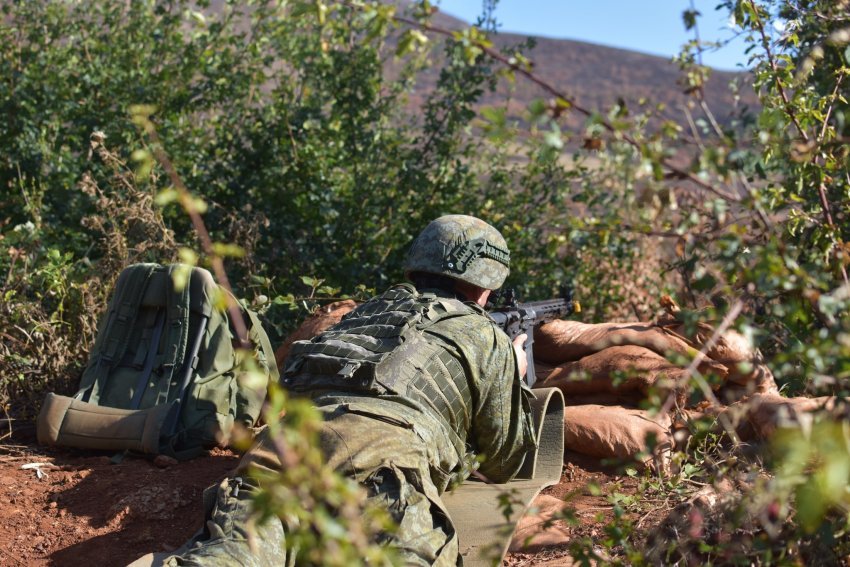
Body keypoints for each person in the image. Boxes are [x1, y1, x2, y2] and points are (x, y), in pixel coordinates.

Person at [160, 214, 537, 566]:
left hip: (284, 448)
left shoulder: (366, 313)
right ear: (482, 283)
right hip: (380, 458)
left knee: (230, 555)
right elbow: (504, 461)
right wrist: (514, 376)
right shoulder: (483, 334)